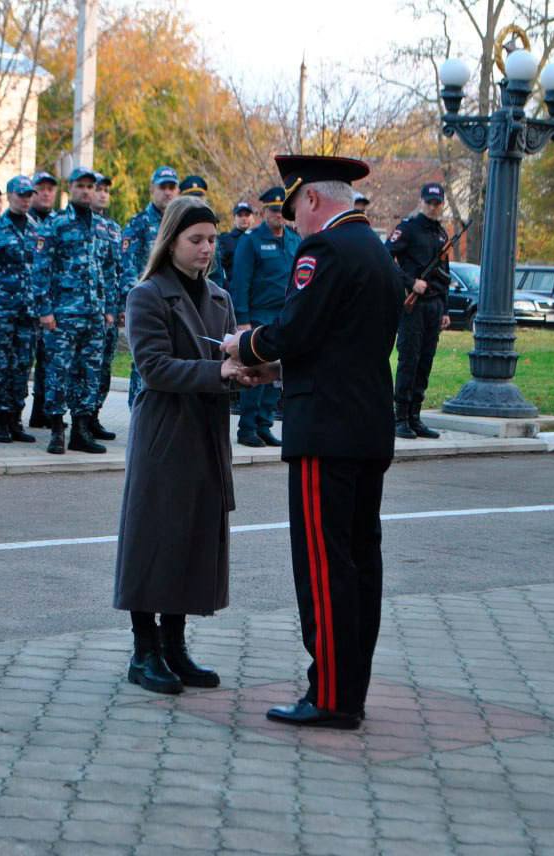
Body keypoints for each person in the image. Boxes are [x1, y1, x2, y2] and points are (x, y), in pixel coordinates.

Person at [224, 154, 401, 730]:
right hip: (366, 426)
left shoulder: (323, 250)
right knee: (359, 564)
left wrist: (245, 347)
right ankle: (349, 689)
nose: (292, 219)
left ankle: (328, 695)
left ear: (314, 201)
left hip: (325, 430)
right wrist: (281, 369)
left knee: (325, 568)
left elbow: (297, 330)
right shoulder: (376, 251)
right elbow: (340, 345)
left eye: (294, 207)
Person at [115, 195, 250, 694]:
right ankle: (143, 650)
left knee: (191, 540)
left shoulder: (219, 297)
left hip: (207, 432)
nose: (206, 249)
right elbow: (153, 367)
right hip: (165, 432)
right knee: (155, 541)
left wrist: (246, 372)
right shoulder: (147, 295)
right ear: (171, 241)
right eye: (196, 240)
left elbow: (227, 361)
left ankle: (174, 646)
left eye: (212, 240)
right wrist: (220, 371)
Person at [31, 167, 116, 454]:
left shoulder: (101, 227)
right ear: (70, 189)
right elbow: (41, 269)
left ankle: (81, 429)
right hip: (62, 314)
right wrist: (45, 310)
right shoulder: (55, 224)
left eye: (90, 187)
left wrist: (108, 308)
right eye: (80, 186)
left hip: (93, 313)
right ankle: (57, 429)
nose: (86, 191)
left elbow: (106, 269)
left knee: (89, 372)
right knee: (58, 371)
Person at [230, 186, 298, 447]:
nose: (278, 214)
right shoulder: (252, 240)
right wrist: (243, 319)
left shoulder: (294, 240)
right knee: (255, 373)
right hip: (257, 316)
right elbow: (241, 281)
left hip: (284, 317)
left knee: (275, 377)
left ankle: (265, 424)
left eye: (282, 210)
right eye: (273, 210)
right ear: (264, 211)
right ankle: (247, 428)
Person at [0, 175, 39, 444]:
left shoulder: (36, 230)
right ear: (10, 196)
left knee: (22, 367)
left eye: (29, 195)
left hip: (28, 312)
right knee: (0, 366)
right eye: (20, 195)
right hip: (1, 310)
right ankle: (0, 420)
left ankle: (15, 418)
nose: (25, 200)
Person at [386, 182, 451, 439]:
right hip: (413, 306)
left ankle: (415, 416)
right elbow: (385, 256)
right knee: (409, 360)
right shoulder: (408, 229)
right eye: (429, 203)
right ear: (421, 202)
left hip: (434, 306)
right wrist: (410, 282)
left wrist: (445, 308)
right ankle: (400, 417)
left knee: (425, 362)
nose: (433, 207)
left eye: (437, 203)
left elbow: (444, 274)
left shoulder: (442, 234)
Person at [121, 166, 180, 408]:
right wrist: (129, 305)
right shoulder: (138, 225)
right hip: (147, 304)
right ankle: (139, 413)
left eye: (172, 188)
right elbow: (128, 269)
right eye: (162, 188)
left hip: (176, 304)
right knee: (144, 362)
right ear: (152, 190)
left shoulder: (180, 224)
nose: (167, 193)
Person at [25, 171, 60, 429]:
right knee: (23, 362)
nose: (46, 193)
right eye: (41, 189)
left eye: (51, 189)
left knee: (50, 360)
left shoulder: (60, 223)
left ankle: (43, 411)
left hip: (55, 304)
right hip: (23, 305)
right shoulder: (24, 222)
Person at [91, 172, 122, 440]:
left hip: (109, 311)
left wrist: (120, 307)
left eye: (105, 190)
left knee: (103, 366)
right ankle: (78, 418)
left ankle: (94, 415)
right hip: (84, 310)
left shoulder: (113, 228)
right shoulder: (76, 225)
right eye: (97, 189)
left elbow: (119, 269)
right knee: (83, 368)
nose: (102, 194)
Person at [217, 201, 255, 285]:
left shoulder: (260, 238)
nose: (244, 218)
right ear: (234, 218)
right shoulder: (226, 240)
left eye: (247, 215)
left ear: (252, 217)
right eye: (240, 215)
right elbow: (217, 268)